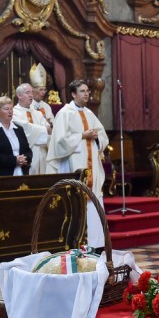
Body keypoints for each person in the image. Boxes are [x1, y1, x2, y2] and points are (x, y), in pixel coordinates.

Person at [47, 79, 109, 249]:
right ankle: (76, 241)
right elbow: (59, 142)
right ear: (73, 94)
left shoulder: (89, 113)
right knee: (76, 200)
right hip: (73, 164)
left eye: (87, 91)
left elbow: (103, 136)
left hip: (92, 164)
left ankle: (96, 243)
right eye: (82, 91)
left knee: (94, 200)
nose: (87, 94)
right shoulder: (65, 113)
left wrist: (97, 137)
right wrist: (82, 136)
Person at [0, 96, 32, 177]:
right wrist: (14, 160)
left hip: (22, 173)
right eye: (6, 109)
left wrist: (24, 159)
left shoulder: (19, 129)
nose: (10, 112)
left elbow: (28, 150)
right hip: (2, 175)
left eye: (11, 109)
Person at [13, 83, 51, 175]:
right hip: (26, 154)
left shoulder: (38, 113)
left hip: (42, 153)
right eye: (27, 92)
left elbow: (49, 130)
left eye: (32, 92)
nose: (31, 95)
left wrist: (39, 131)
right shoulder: (14, 113)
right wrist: (42, 129)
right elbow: (25, 129)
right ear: (19, 95)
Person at [30, 63, 55, 128]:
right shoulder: (29, 105)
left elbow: (53, 123)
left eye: (44, 90)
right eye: (41, 89)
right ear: (33, 90)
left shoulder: (46, 106)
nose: (43, 92)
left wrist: (50, 123)